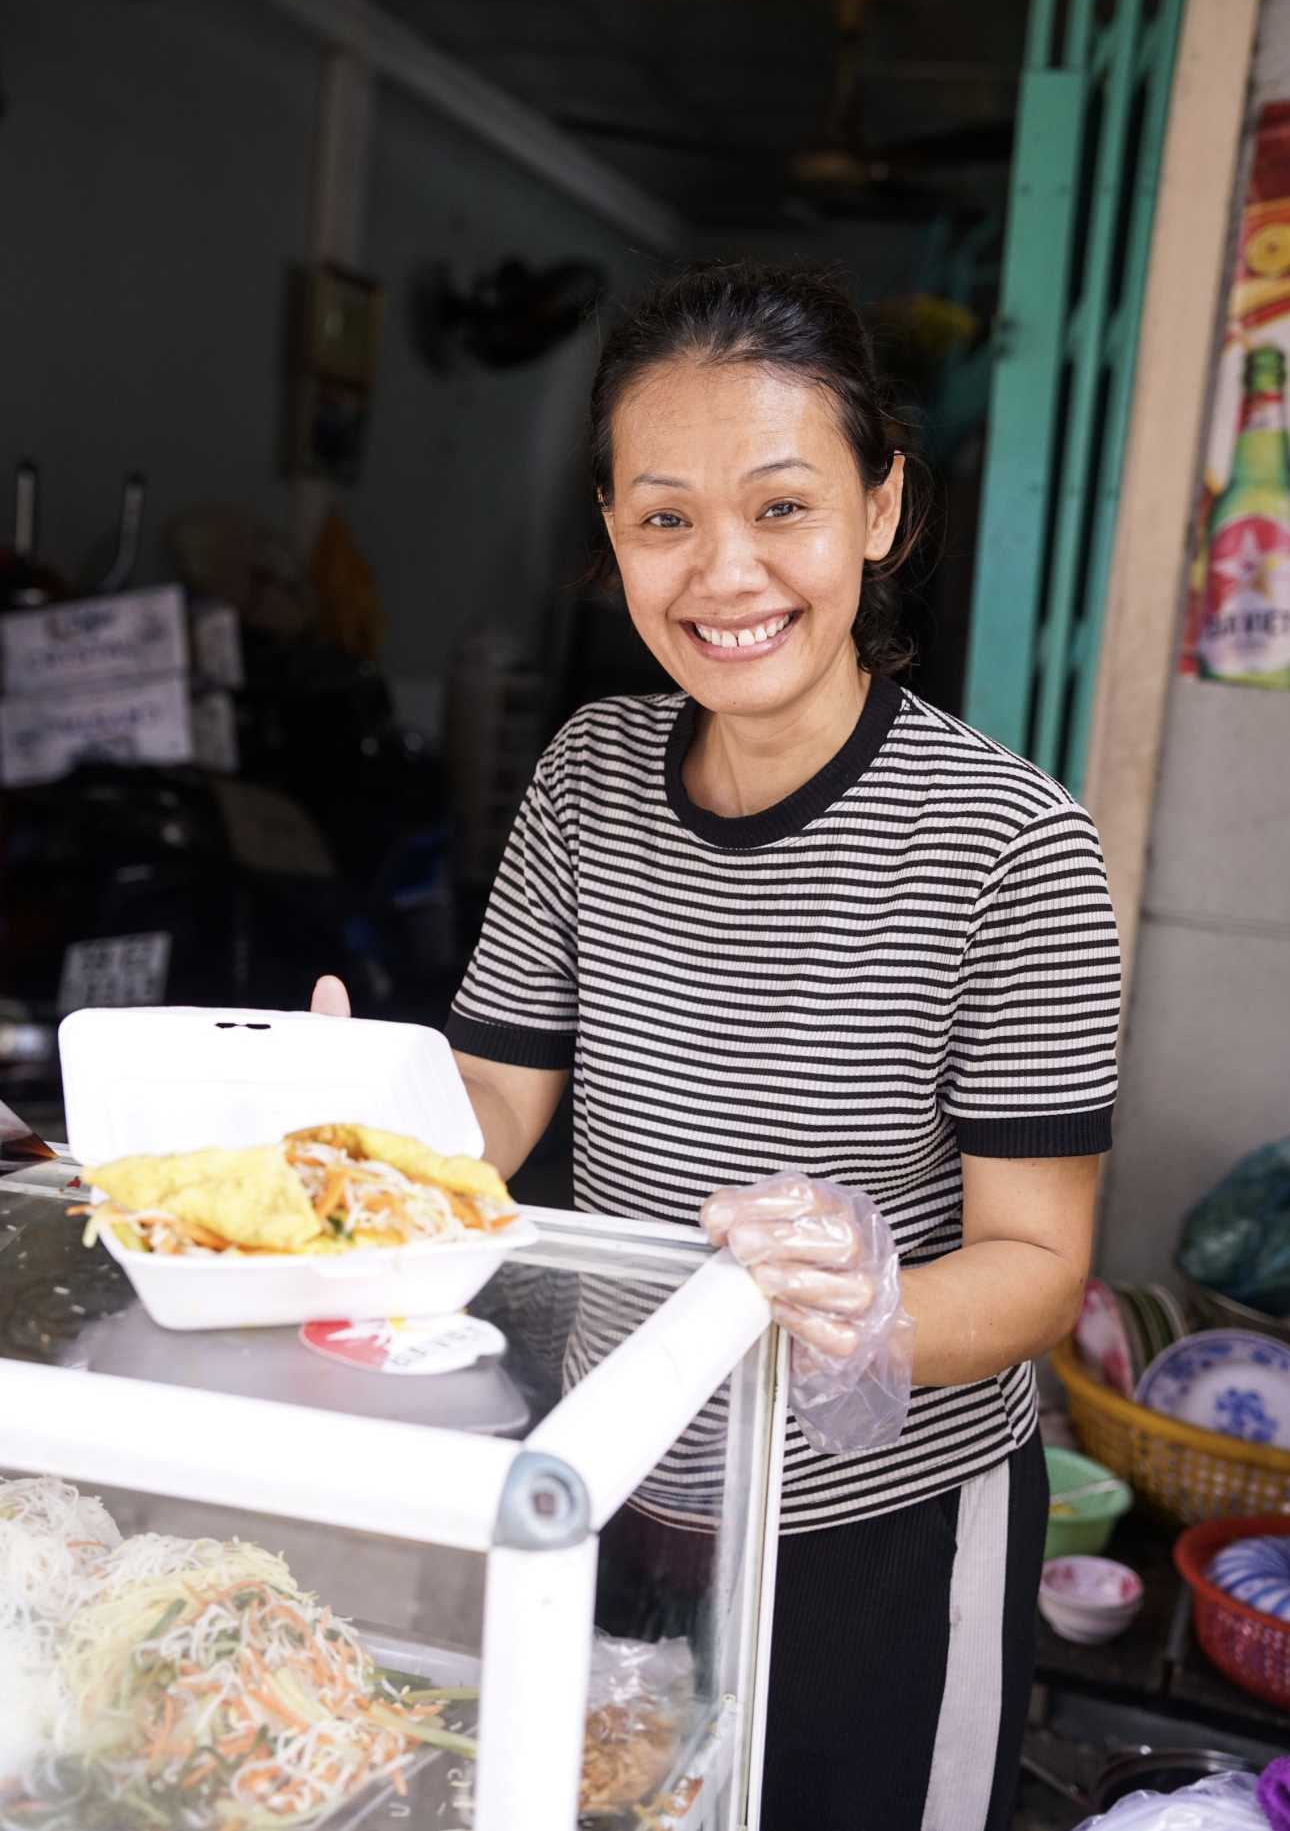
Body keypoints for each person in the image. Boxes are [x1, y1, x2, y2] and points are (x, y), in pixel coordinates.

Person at [312, 261, 1120, 1831]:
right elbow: (493, 1096)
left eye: (782, 506)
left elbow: (1036, 1263)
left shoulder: (1012, 845)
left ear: (881, 509)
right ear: (611, 532)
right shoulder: (590, 772)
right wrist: (356, 1127)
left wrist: (870, 1300)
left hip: (878, 1538)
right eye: (665, 515)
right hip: (610, 1483)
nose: (725, 571)